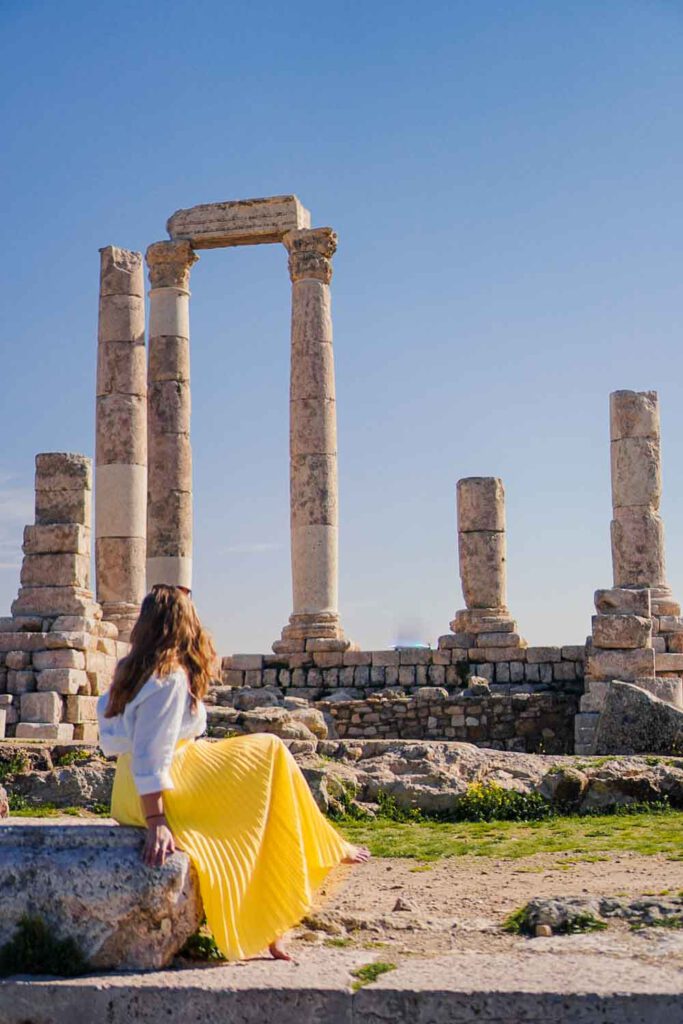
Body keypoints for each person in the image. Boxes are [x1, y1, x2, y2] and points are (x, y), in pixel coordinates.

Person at [97, 584, 370, 962]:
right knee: (270, 754)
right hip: (166, 788)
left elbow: (115, 741)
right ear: (184, 624)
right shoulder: (169, 678)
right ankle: (304, 876)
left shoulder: (128, 673)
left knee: (263, 780)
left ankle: (278, 919)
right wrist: (157, 819)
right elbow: (151, 752)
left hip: (129, 789)